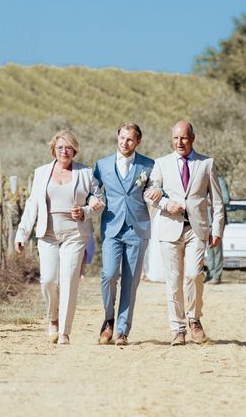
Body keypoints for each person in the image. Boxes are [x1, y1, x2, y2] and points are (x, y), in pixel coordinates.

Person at [15, 130, 102, 345]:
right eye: (60, 147)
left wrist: (85, 211)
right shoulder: (41, 172)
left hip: (75, 233)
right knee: (48, 280)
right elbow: (32, 204)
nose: (64, 151)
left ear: (74, 150)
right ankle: (52, 317)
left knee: (69, 281)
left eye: (69, 147)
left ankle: (64, 331)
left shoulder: (86, 173)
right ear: (54, 149)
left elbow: (98, 202)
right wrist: (22, 233)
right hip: (48, 234)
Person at [145, 121, 224, 345]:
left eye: (184, 138)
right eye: (175, 138)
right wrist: (165, 204)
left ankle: (194, 319)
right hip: (170, 228)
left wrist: (217, 229)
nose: (179, 142)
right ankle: (177, 329)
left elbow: (217, 201)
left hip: (197, 229)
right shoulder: (161, 164)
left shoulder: (207, 164)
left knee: (193, 275)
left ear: (192, 138)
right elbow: (149, 192)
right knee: (173, 280)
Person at [89, 122, 154, 346]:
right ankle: (108, 319)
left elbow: (155, 188)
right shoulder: (102, 164)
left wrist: (156, 192)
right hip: (112, 228)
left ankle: (122, 330)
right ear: (117, 137)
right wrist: (92, 200)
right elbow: (92, 190)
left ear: (138, 141)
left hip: (138, 229)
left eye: (129, 139)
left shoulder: (148, 165)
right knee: (108, 275)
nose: (124, 143)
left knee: (130, 282)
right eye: (122, 138)